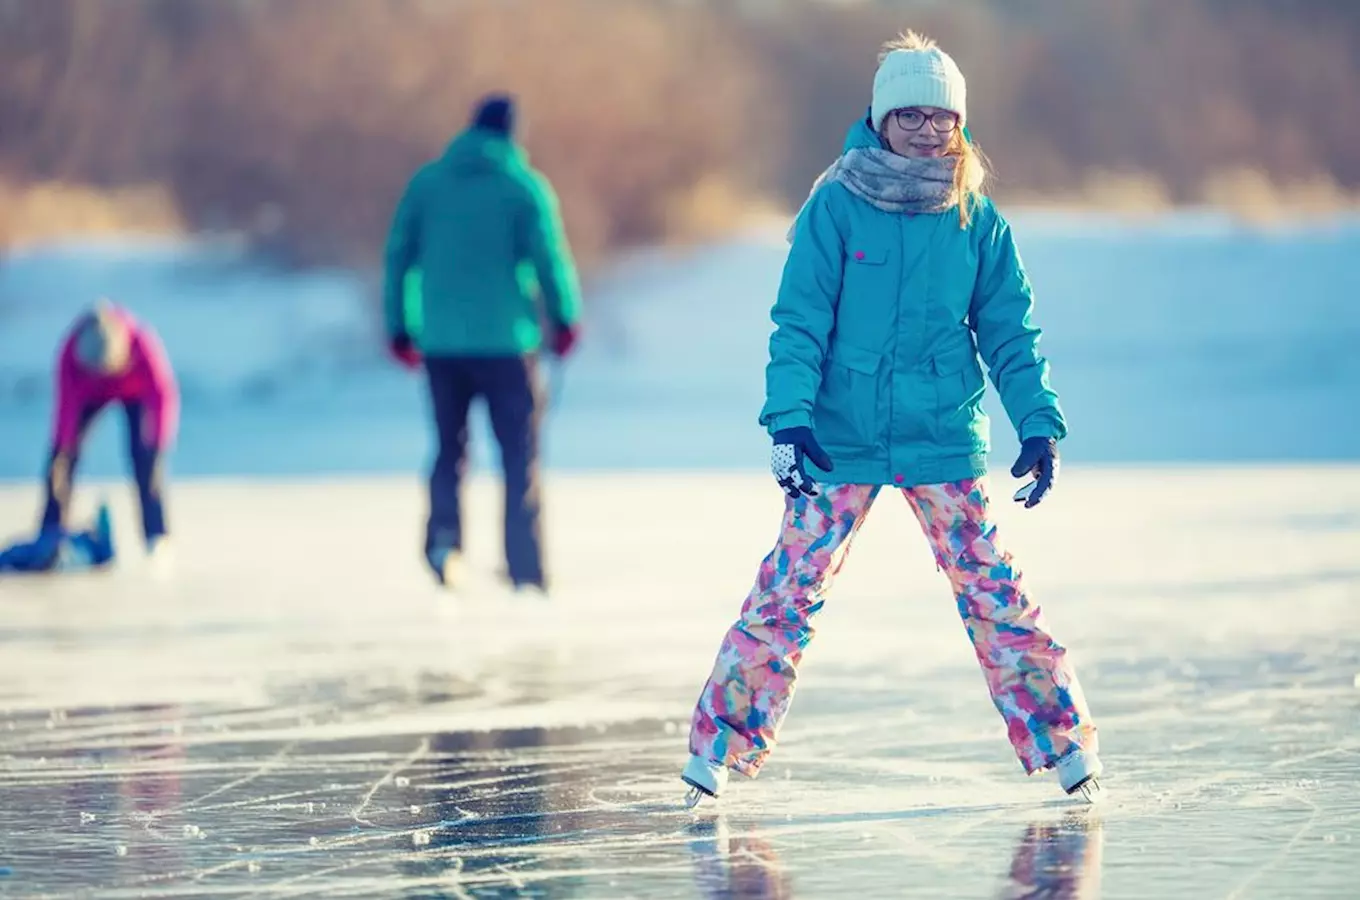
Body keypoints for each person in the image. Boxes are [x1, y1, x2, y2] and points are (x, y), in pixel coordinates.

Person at [680, 31, 1100, 806]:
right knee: (788, 590)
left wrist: (1037, 424)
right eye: (909, 114)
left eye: (942, 117)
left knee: (993, 590)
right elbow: (799, 321)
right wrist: (788, 420)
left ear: (960, 124)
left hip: (943, 434)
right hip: (840, 437)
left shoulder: (976, 218)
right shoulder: (835, 205)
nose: (927, 129)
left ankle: (1063, 741)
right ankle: (719, 749)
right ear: (879, 118)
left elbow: (1009, 331)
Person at [383, 93, 583, 593]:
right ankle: (525, 567)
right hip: (507, 345)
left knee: (449, 450)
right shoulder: (522, 187)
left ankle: (444, 545)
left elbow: (399, 257)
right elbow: (549, 258)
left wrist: (400, 328)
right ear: (513, 132)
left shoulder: (428, 184)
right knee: (519, 456)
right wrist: (565, 320)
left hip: (443, 344)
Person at [25, 301, 178, 570]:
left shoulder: (142, 343)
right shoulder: (69, 355)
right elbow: (65, 410)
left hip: (135, 394)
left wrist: (157, 443)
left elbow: (163, 395)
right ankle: (51, 532)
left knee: (146, 462)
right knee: (61, 462)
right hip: (88, 395)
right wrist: (63, 450)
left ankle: (157, 536)